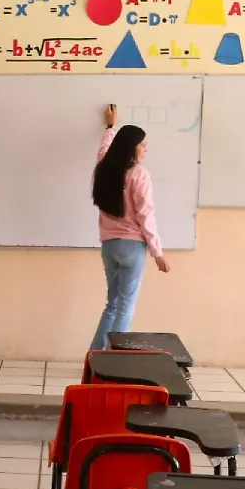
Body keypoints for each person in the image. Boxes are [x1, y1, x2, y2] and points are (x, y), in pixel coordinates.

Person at [89, 104, 168, 352]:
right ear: (131, 147)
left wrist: (111, 127)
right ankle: (114, 361)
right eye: (143, 145)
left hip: (109, 246)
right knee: (125, 306)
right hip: (132, 246)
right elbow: (145, 214)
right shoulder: (138, 174)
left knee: (112, 305)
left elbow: (104, 149)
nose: (146, 149)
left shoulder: (104, 168)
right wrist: (158, 253)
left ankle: (95, 356)